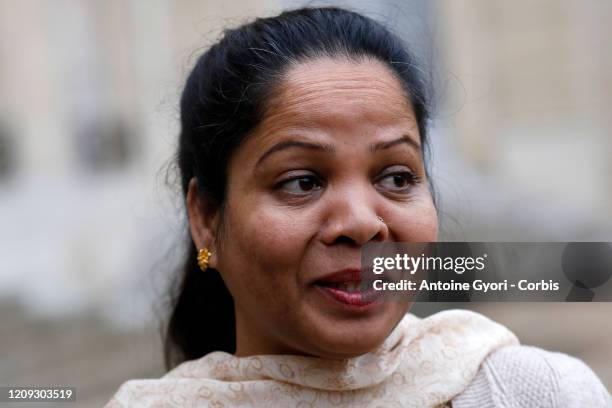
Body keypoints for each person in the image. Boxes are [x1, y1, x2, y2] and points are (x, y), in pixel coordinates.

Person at [105, 7, 610, 407]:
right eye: (301, 181)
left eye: (396, 177)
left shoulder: (540, 394)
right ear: (206, 218)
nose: (362, 223)